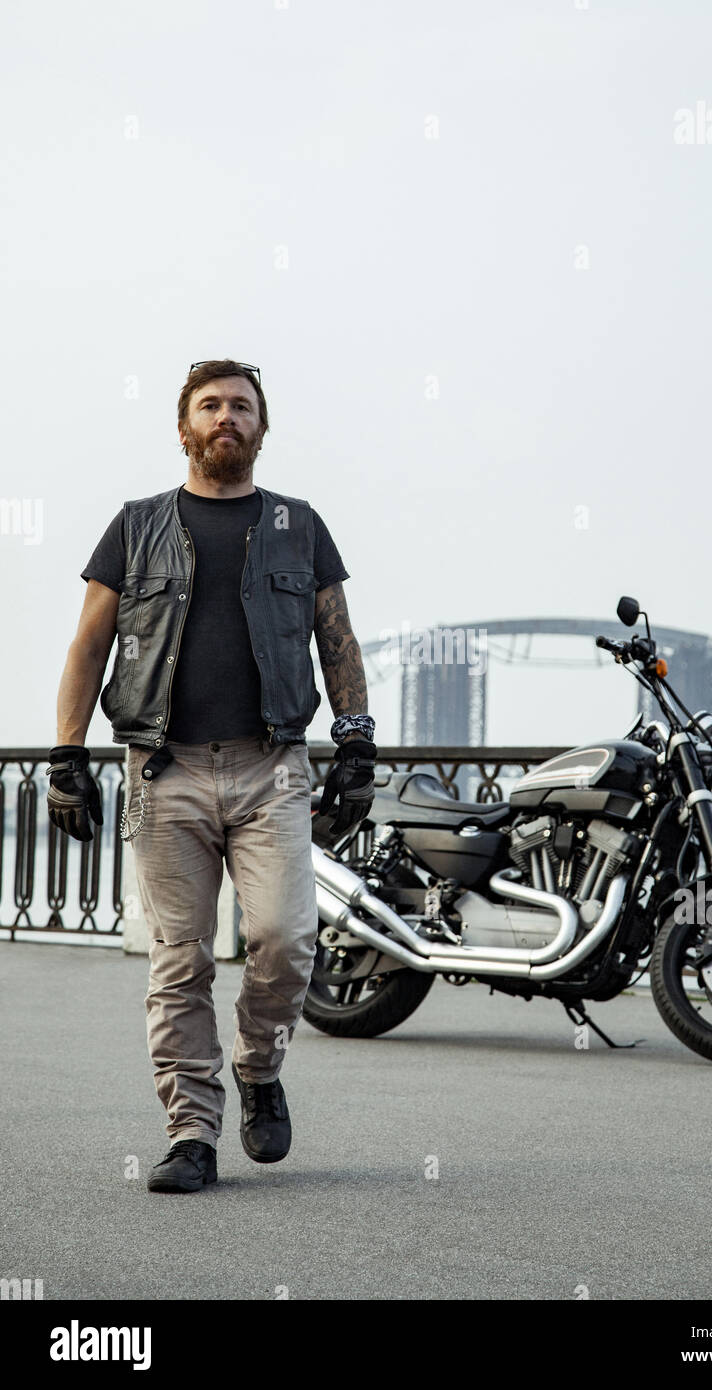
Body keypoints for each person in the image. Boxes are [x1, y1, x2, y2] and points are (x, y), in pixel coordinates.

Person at [46, 358, 377, 1194]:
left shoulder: (299, 526)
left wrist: (358, 742)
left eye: (241, 406)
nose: (226, 416)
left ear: (261, 427)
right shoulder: (136, 525)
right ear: (184, 427)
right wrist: (65, 756)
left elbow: (336, 636)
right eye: (210, 405)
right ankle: (192, 1132)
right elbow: (90, 645)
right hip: (166, 772)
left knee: (286, 939)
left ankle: (258, 1068)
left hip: (273, 769)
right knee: (179, 961)